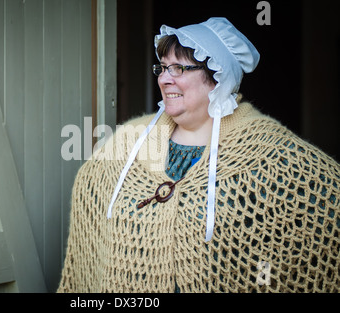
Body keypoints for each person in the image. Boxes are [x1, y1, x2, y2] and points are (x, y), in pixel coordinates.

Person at [57, 17, 339, 292]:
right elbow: (91, 190)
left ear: (216, 78)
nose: (165, 79)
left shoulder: (265, 149)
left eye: (179, 68)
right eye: (163, 68)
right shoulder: (132, 138)